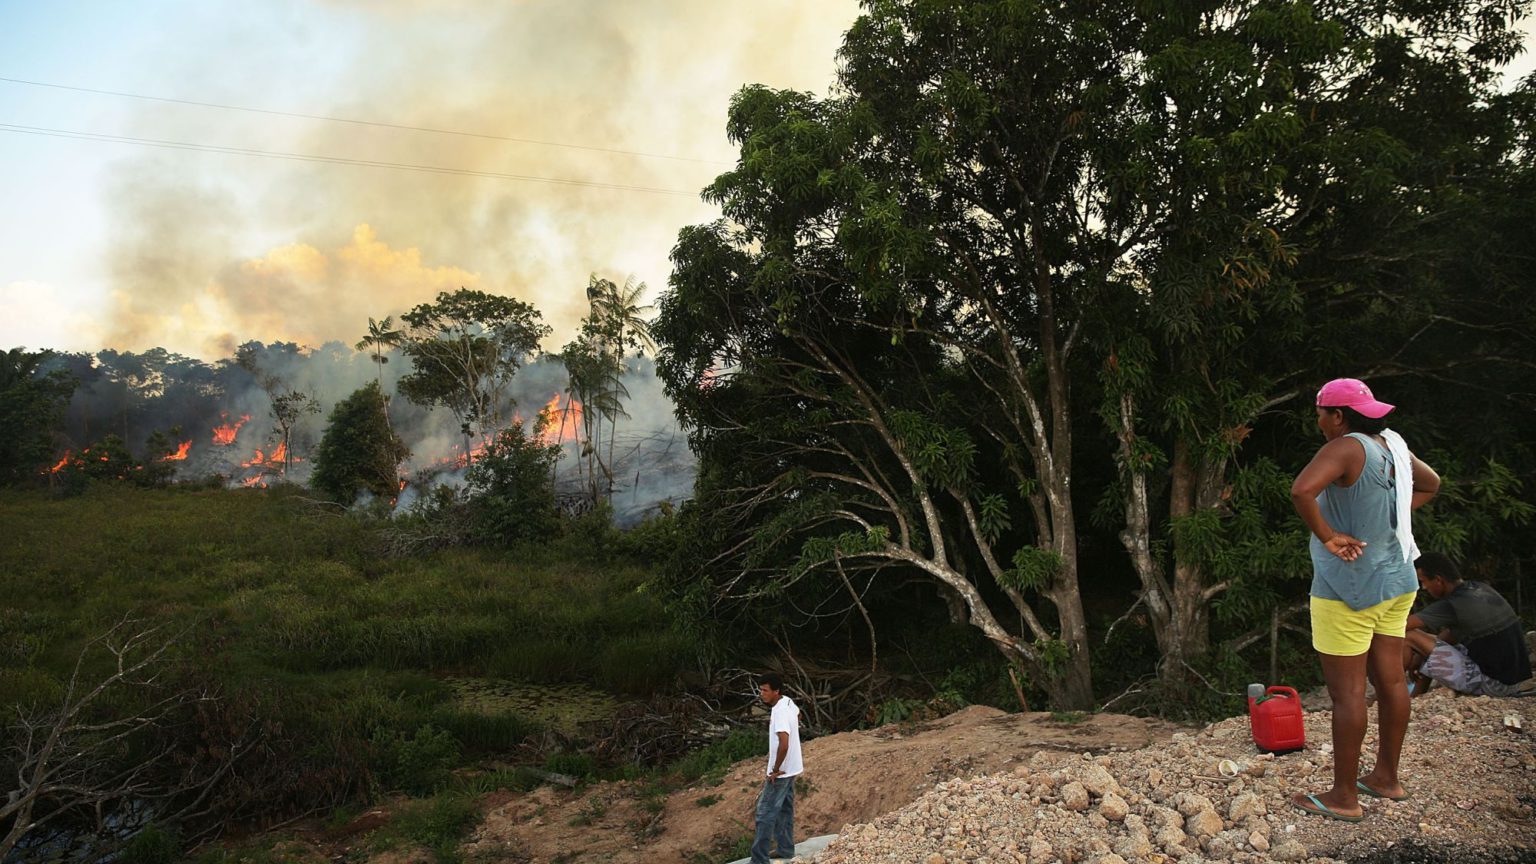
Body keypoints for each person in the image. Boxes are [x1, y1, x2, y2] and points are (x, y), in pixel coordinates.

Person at [1289, 378, 1440, 821]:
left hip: (1349, 588)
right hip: (1397, 580)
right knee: (1391, 681)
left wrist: (1329, 534)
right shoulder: (1392, 444)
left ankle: (1342, 797)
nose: (1319, 422)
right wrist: (1386, 515)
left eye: (1321, 413)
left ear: (1338, 415)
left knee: (1348, 694)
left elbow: (1301, 491)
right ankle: (1386, 779)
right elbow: (1431, 483)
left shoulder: (1346, 447)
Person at [1403, 552, 1533, 696]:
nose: (1424, 588)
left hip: (1495, 686)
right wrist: (1420, 655)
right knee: (1427, 643)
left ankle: (1391, 690)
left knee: (1411, 636)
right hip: (1514, 682)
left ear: (1439, 580)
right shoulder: (1480, 589)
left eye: (1423, 581)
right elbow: (1449, 636)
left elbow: (1400, 626)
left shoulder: (1452, 605)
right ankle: (1415, 695)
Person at [751, 673, 802, 864]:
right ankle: (786, 849)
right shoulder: (787, 702)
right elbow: (799, 714)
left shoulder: (780, 712)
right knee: (784, 810)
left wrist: (775, 768)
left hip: (781, 772)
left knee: (765, 813)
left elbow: (784, 743)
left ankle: (759, 860)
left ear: (776, 691)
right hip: (793, 768)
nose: (761, 694)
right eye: (760, 689)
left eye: (765, 690)